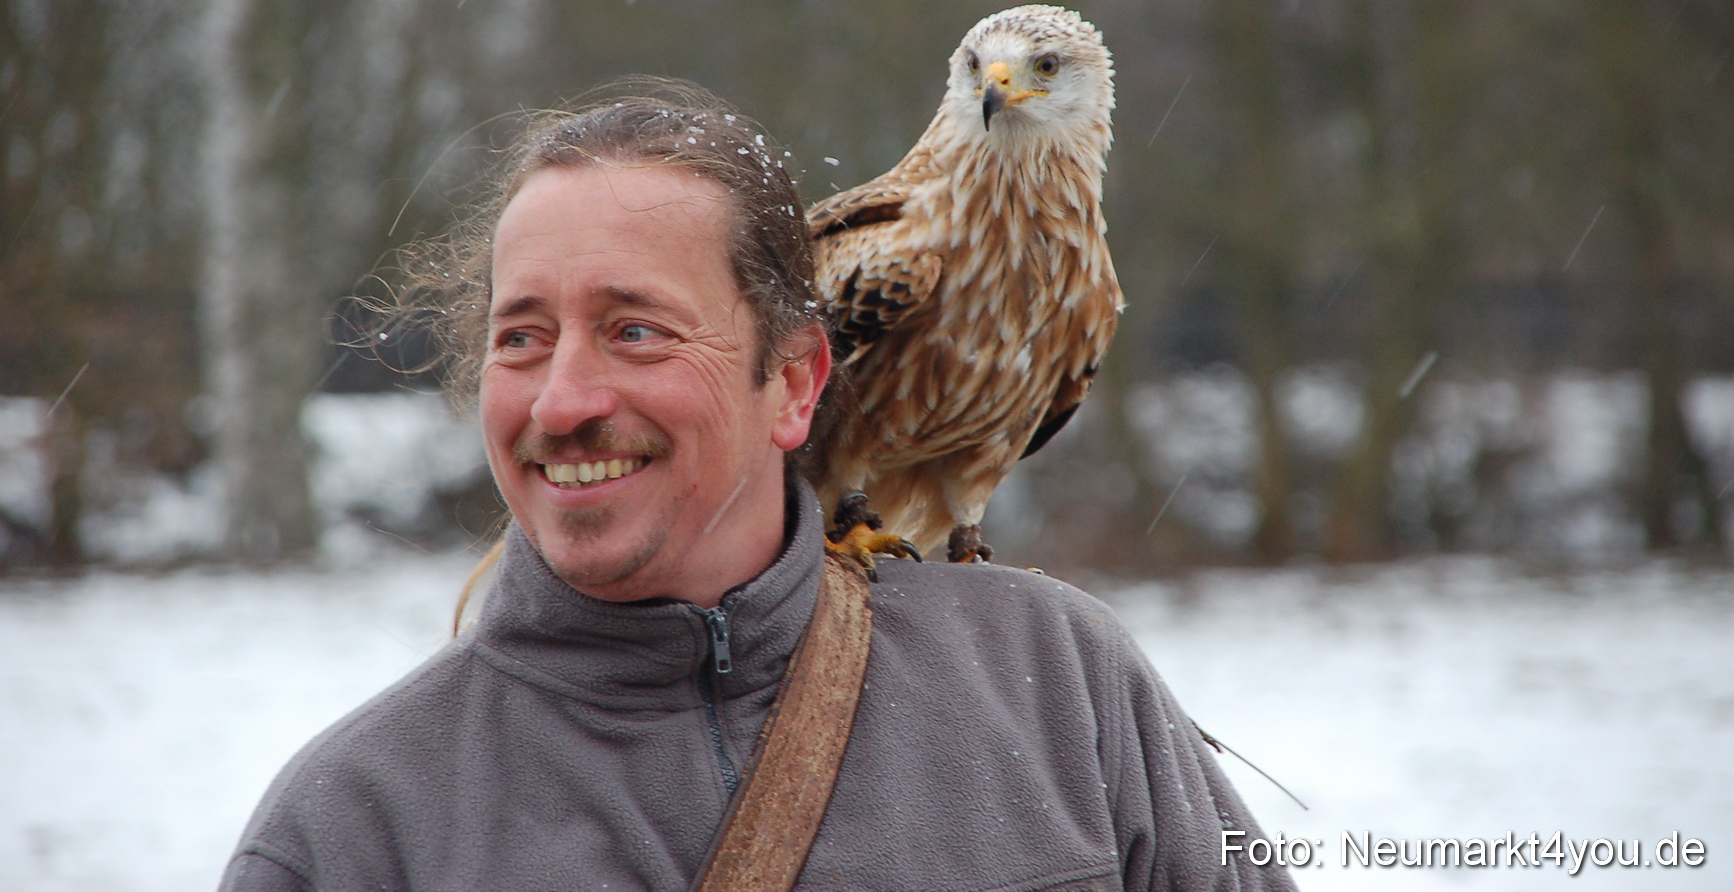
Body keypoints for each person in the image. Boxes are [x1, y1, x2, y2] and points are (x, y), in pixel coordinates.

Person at [220, 91, 1298, 891]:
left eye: (635, 329)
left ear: (793, 382)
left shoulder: (1062, 687)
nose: (562, 400)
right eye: (522, 336)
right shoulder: (354, 829)